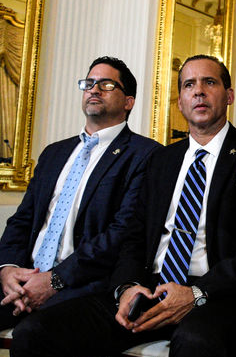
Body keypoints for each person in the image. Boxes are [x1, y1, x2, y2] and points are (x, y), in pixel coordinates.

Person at [10, 55, 236, 357]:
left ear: (229, 95)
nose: (199, 92)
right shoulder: (162, 159)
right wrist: (127, 288)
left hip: (215, 294)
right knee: (34, 335)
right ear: (180, 102)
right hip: (149, 290)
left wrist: (196, 293)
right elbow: (133, 236)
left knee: (193, 343)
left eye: (210, 82)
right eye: (189, 85)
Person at [0, 56, 159, 323]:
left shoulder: (145, 154)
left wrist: (54, 280)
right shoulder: (54, 153)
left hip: (82, 284)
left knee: (36, 335)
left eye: (107, 85)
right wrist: (8, 270)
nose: (94, 90)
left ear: (128, 101)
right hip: (24, 276)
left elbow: (120, 233)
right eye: (89, 84)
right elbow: (23, 219)